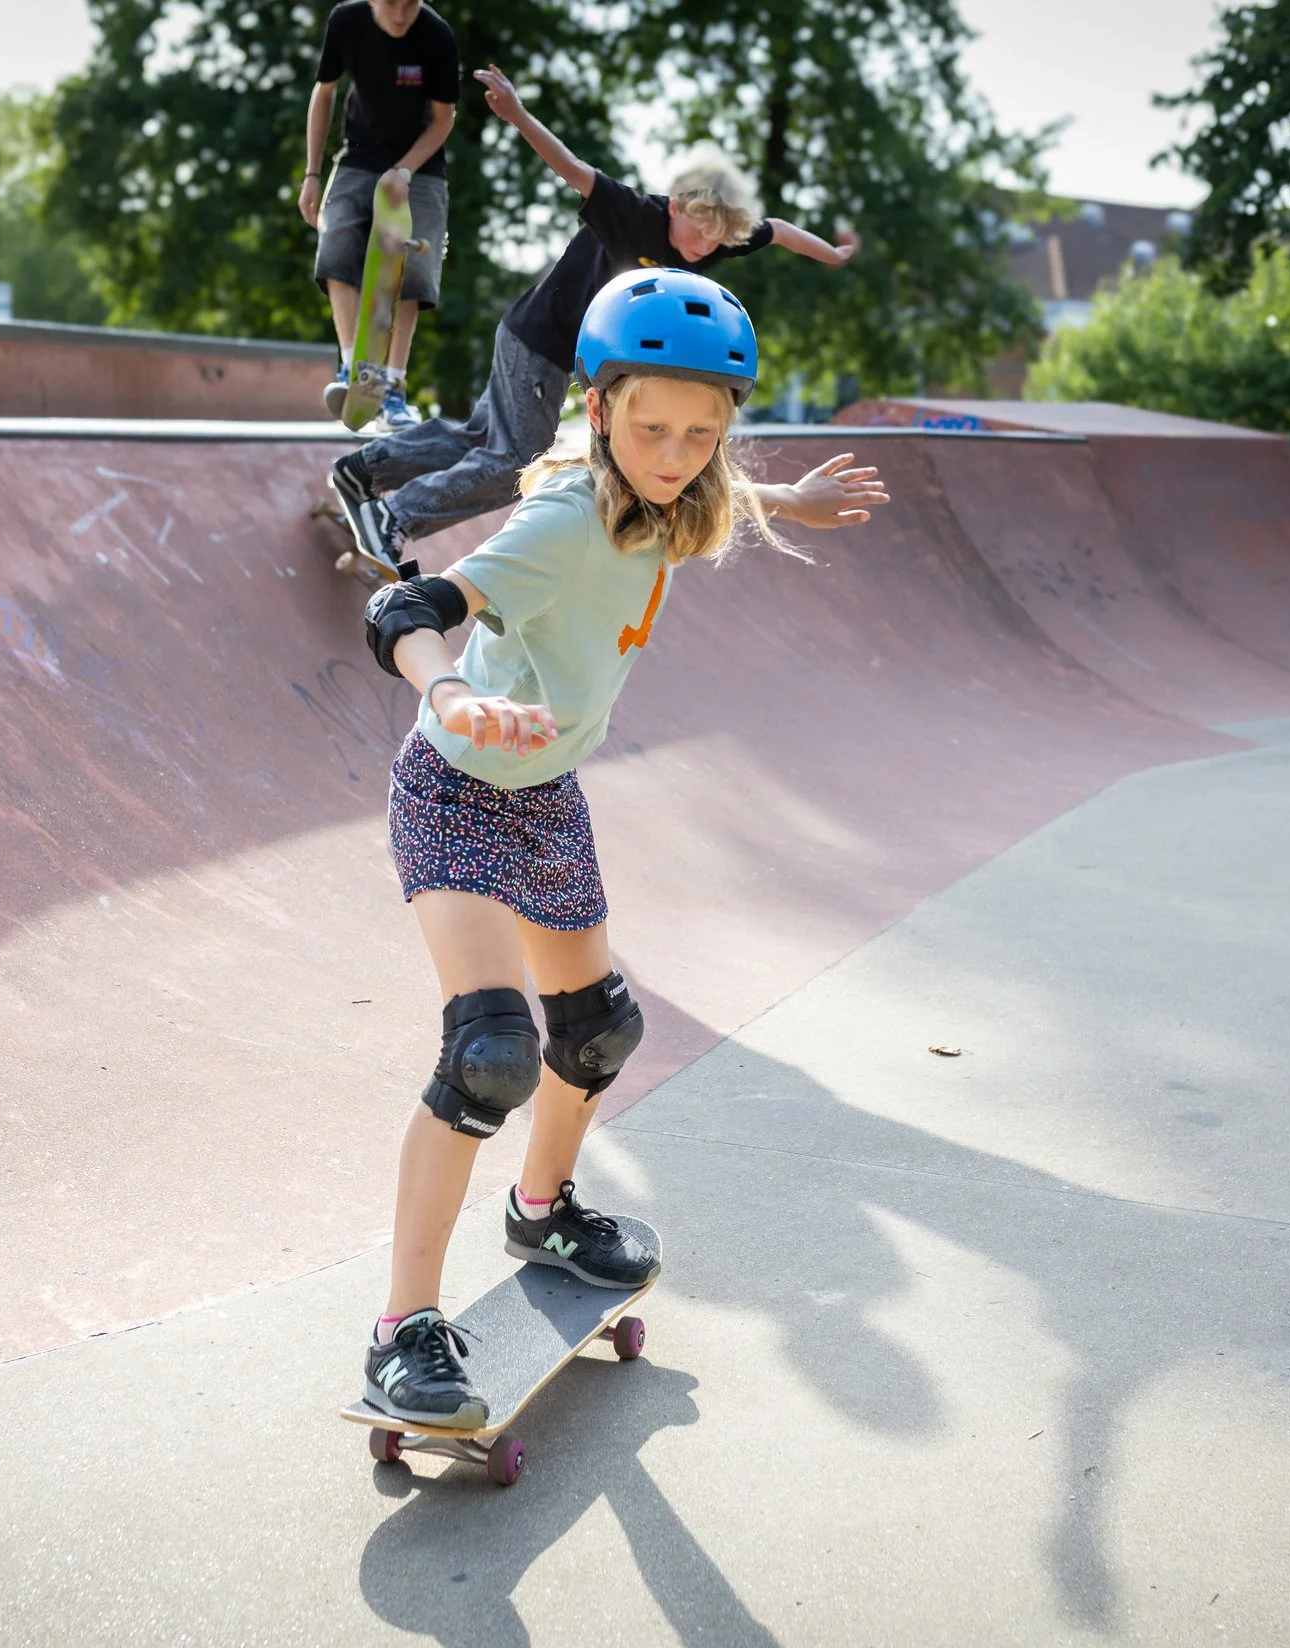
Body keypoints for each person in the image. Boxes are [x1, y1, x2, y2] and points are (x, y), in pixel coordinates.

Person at [354, 269, 885, 1425]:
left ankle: (540, 1208)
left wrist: (788, 497)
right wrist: (446, 695)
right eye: (650, 427)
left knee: (595, 1031)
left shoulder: (676, 493)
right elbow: (408, 608)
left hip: (543, 794)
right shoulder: (559, 520)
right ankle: (401, 1329)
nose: (677, 451)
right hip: (452, 787)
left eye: (703, 431)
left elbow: (718, 496)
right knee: (490, 1052)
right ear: (596, 409)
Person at [328, 64, 863, 574]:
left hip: (543, 346)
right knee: (515, 461)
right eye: (696, 233)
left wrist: (834, 258)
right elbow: (570, 167)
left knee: (479, 438)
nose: (702, 249)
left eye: (716, 241)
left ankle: (363, 471)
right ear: (676, 206)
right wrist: (515, 114)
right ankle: (394, 517)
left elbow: (782, 230)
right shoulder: (631, 212)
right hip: (540, 339)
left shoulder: (720, 233)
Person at [300, 0, 459, 429]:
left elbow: (444, 119)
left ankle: (393, 387)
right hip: (358, 157)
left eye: (411, 4)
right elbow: (324, 92)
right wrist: (312, 174)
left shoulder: (436, 36)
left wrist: (404, 170)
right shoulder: (346, 22)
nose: (401, 14)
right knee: (336, 242)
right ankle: (357, 371)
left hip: (422, 165)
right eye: (391, 3)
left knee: (415, 267)